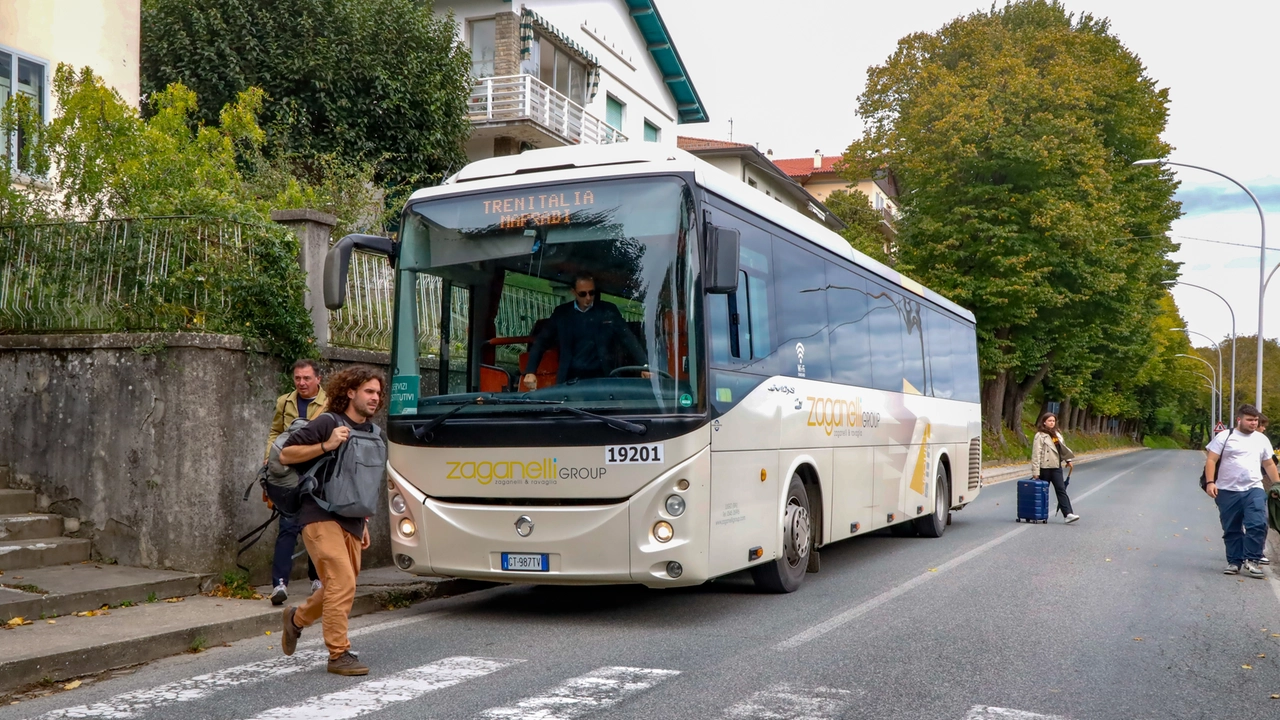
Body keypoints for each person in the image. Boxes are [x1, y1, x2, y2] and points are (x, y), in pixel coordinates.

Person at [278, 365, 385, 676]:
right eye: (368, 391)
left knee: (337, 586)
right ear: (350, 392)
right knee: (342, 582)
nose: (375, 397)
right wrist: (326, 445)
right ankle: (338, 654)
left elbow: (361, 482)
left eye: (378, 392)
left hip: (352, 519)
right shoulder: (328, 422)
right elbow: (286, 454)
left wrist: (363, 521)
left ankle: (296, 619)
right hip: (319, 514)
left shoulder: (373, 434)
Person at [265, 359, 328, 606]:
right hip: (289, 470)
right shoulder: (284, 402)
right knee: (288, 525)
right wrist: (269, 456)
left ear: (318, 379)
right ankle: (279, 584)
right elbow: (275, 432)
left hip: (317, 472)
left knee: (314, 527)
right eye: (298, 378)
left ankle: (316, 578)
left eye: (307, 378)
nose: (301, 383)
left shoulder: (329, 403)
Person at [521, 273, 649, 390]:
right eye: (583, 294)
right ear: (573, 292)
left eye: (591, 293)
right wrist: (530, 371)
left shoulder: (608, 311)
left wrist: (644, 365)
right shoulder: (562, 314)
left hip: (602, 376)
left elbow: (627, 337)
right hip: (570, 378)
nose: (588, 298)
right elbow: (542, 341)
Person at [1206, 404, 1278, 578]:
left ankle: (1252, 560)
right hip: (1227, 490)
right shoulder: (1225, 436)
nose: (1254, 423)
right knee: (1232, 528)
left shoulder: (1261, 439)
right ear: (1239, 419)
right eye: (1250, 420)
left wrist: (1277, 485)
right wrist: (1210, 482)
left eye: (1256, 420)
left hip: (1253, 488)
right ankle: (1234, 561)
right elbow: (1211, 460)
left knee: (1258, 524)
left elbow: (1268, 463)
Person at [1031, 412, 1079, 524]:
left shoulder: (1057, 434)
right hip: (1045, 468)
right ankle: (1039, 514)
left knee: (1061, 490)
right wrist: (1035, 471)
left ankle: (1068, 514)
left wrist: (1068, 460)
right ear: (1044, 422)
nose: (1052, 423)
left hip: (1056, 467)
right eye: (1049, 421)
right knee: (1042, 492)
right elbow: (1036, 454)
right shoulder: (1040, 436)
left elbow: (1062, 449)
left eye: (1053, 421)